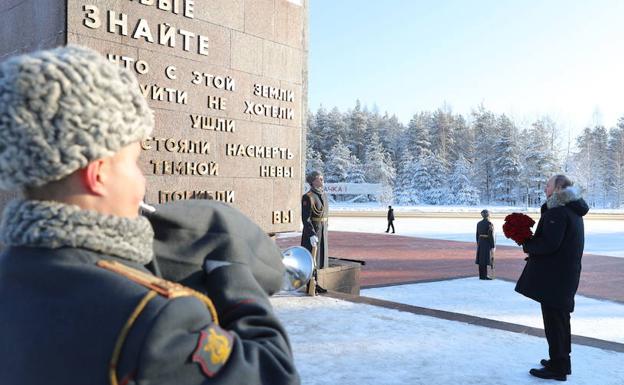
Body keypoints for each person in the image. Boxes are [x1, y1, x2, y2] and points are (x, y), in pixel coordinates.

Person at [0, 45, 299, 385]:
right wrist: (237, 281)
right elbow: (273, 374)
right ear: (98, 175)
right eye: (133, 162)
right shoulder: (156, 318)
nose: (141, 181)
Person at [515, 174, 588, 381]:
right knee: (561, 321)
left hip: (555, 278)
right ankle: (560, 361)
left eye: (548, 184)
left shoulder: (559, 211)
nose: (544, 187)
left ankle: (558, 367)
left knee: (555, 323)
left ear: (558, 189)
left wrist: (526, 244)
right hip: (564, 276)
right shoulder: (572, 210)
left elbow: (549, 244)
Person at [301, 171, 328, 294]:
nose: (322, 181)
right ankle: (310, 285)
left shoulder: (322, 195)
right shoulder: (308, 196)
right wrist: (311, 234)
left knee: (318, 258)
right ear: (312, 181)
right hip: (312, 233)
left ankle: (316, 283)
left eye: (322, 178)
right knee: (311, 259)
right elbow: (306, 218)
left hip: (321, 231)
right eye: (319, 179)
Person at [475, 209, 495, 280]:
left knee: (481, 259)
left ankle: (481, 275)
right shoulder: (489, 223)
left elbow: (477, 234)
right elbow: (490, 235)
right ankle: (484, 276)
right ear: (487, 215)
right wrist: (492, 245)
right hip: (486, 242)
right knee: (485, 259)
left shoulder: (478, 223)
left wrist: (478, 243)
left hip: (480, 242)